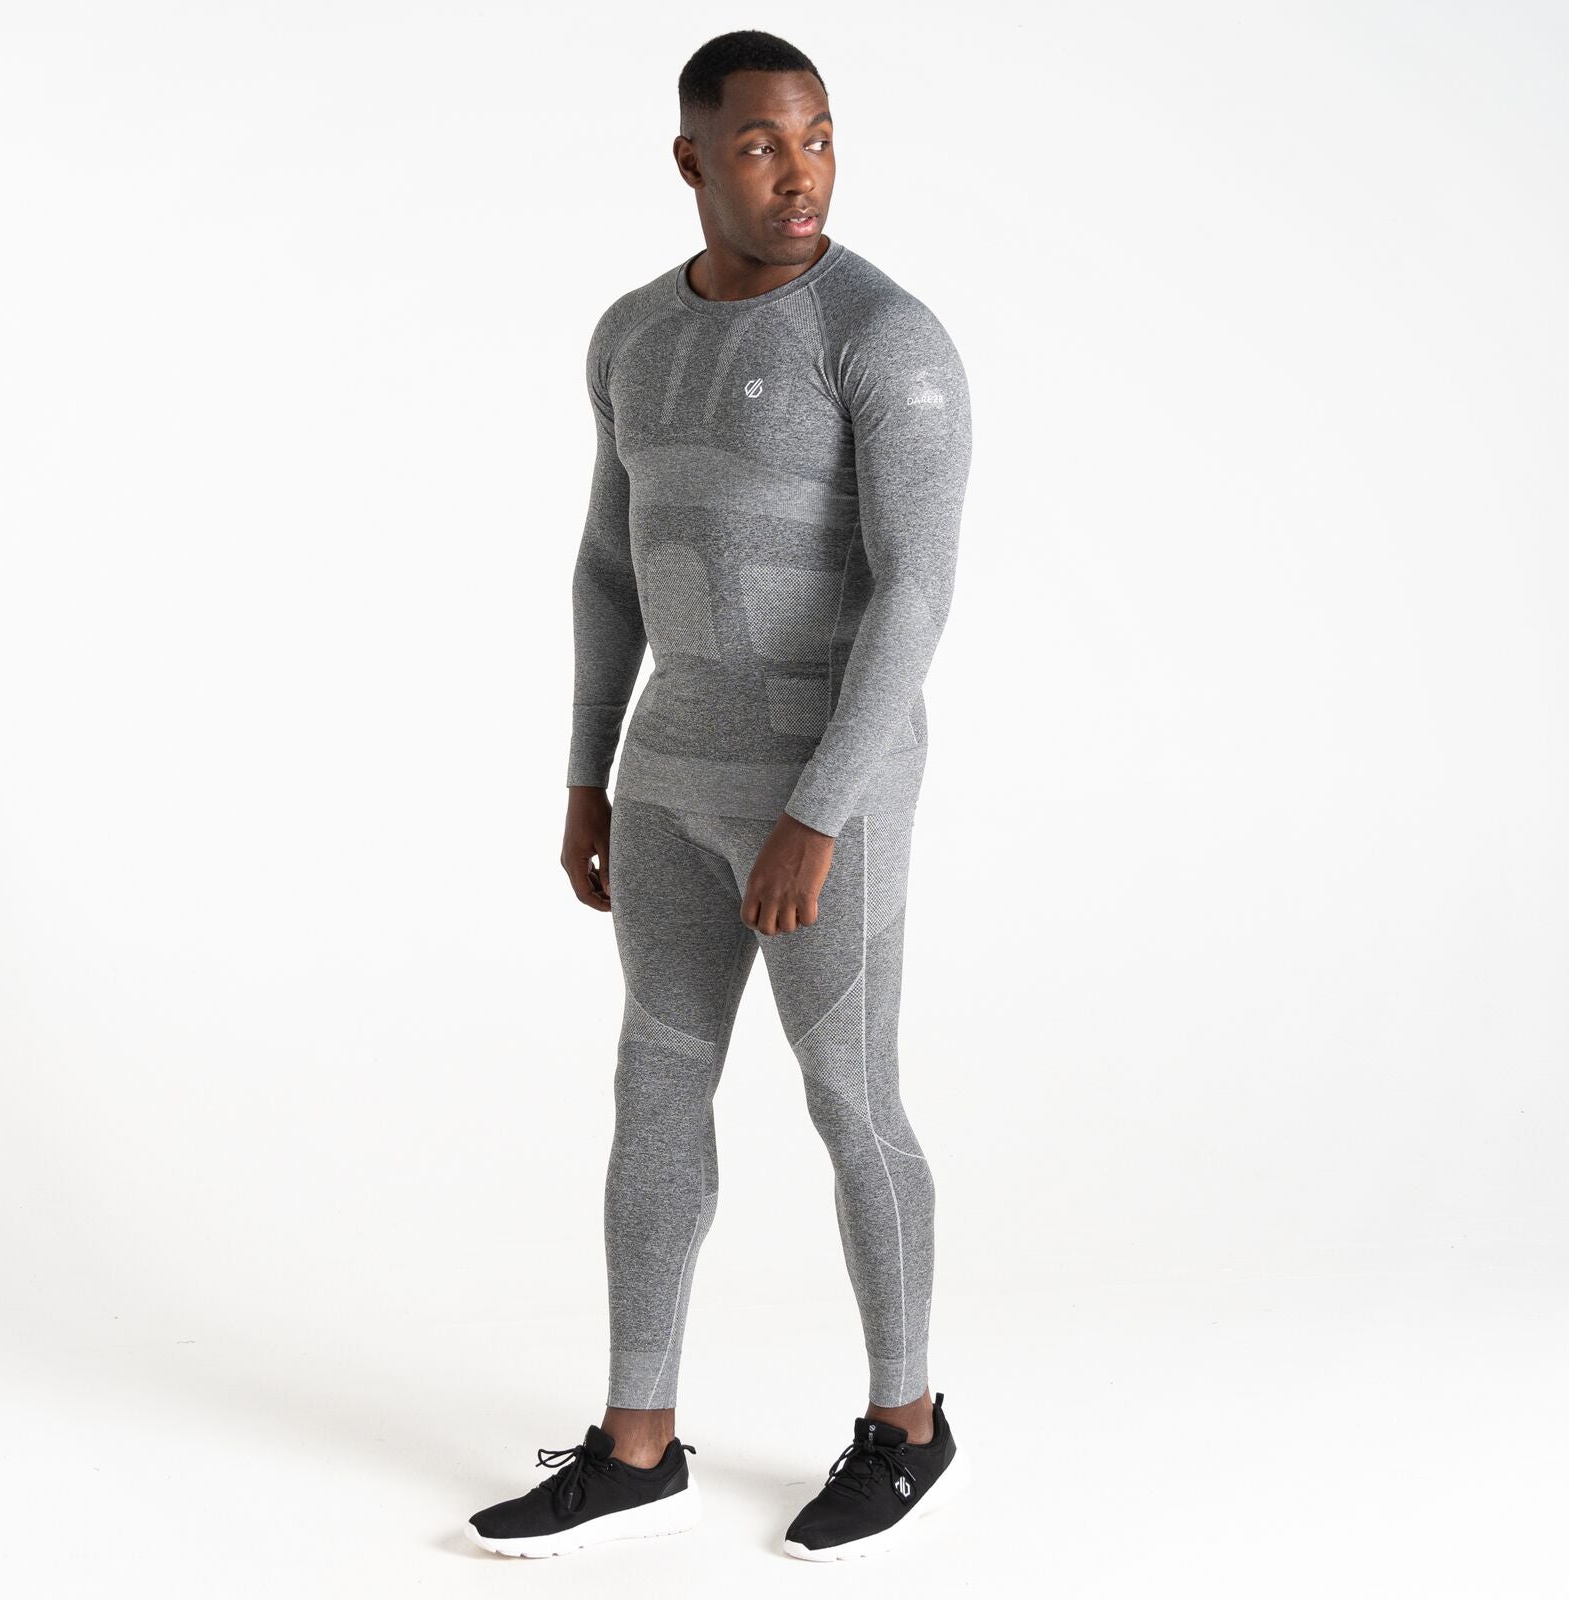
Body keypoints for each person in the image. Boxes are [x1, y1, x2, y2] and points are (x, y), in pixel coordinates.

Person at [467, 27, 973, 1563]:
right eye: (761, 144)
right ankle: (638, 1442)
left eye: (818, 138)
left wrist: (819, 809)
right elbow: (607, 565)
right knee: (655, 1089)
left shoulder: (885, 337)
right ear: (693, 159)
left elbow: (915, 591)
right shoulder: (632, 334)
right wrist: (585, 773)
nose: (800, 172)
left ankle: (909, 1424)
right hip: (672, 778)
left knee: (849, 1098)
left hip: (831, 791)